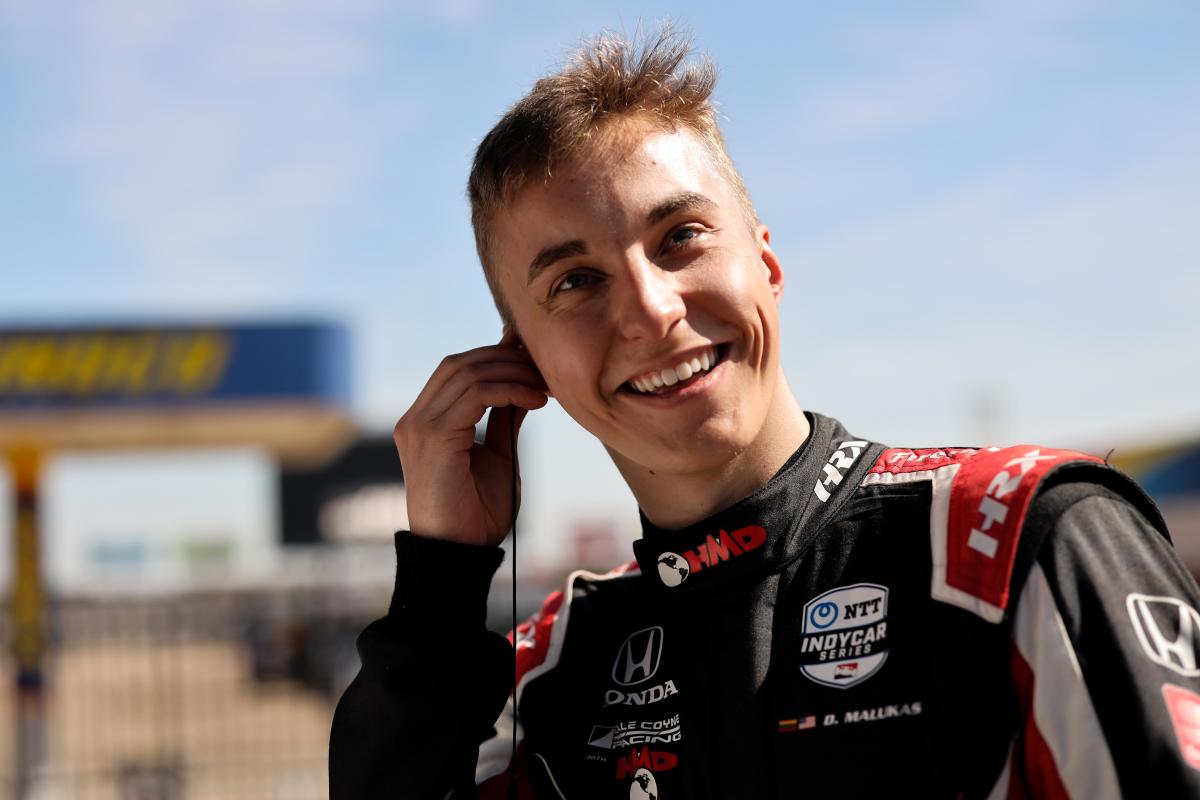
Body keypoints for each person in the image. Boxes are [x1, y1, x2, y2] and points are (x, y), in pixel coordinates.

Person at [330, 27, 1200, 799]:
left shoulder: (1016, 541)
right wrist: (441, 584)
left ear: (767, 265)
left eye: (680, 237)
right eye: (576, 280)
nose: (649, 310)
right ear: (524, 361)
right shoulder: (553, 668)